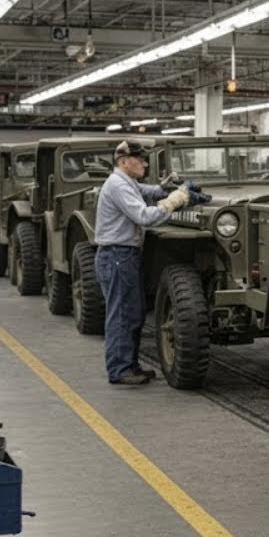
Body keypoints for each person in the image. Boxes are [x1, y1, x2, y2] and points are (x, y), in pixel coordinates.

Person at [94, 140, 190, 386]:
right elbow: (143, 216)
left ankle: (129, 365)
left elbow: (146, 192)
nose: (145, 163)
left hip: (123, 256)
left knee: (133, 312)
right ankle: (119, 369)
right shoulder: (118, 185)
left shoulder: (127, 182)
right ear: (123, 162)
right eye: (140, 159)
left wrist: (165, 189)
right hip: (117, 256)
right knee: (121, 315)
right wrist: (172, 202)